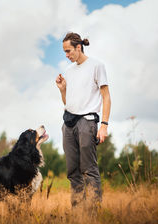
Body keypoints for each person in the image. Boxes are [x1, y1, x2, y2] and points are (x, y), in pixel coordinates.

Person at [55, 32, 111, 211]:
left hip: (87, 122)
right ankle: (77, 212)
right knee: (73, 171)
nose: (67, 55)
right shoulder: (69, 71)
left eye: (69, 51)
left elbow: (106, 97)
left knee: (88, 169)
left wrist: (104, 125)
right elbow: (67, 102)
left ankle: (92, 214)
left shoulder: (97, 65)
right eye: (64, 52)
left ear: (78, 47)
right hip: (68, 123)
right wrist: (63, 90)